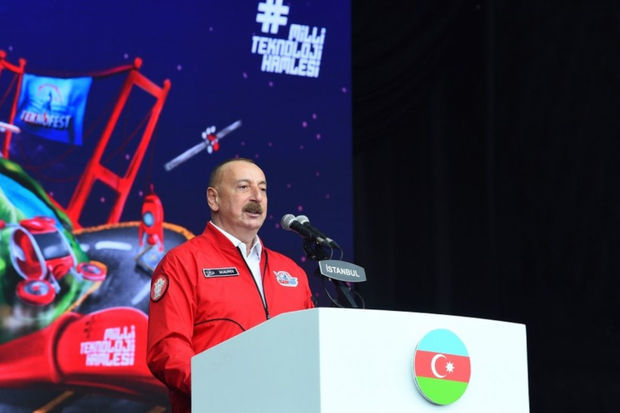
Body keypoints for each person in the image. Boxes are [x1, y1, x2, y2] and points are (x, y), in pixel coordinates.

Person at [146, 157, 315, 412]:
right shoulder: (182, 263)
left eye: (263, 189)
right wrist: (223, 390)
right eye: (243, 187)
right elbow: (167, 350)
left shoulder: (293, 272)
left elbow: (310, 348)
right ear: (213, 199)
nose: (257, 197)